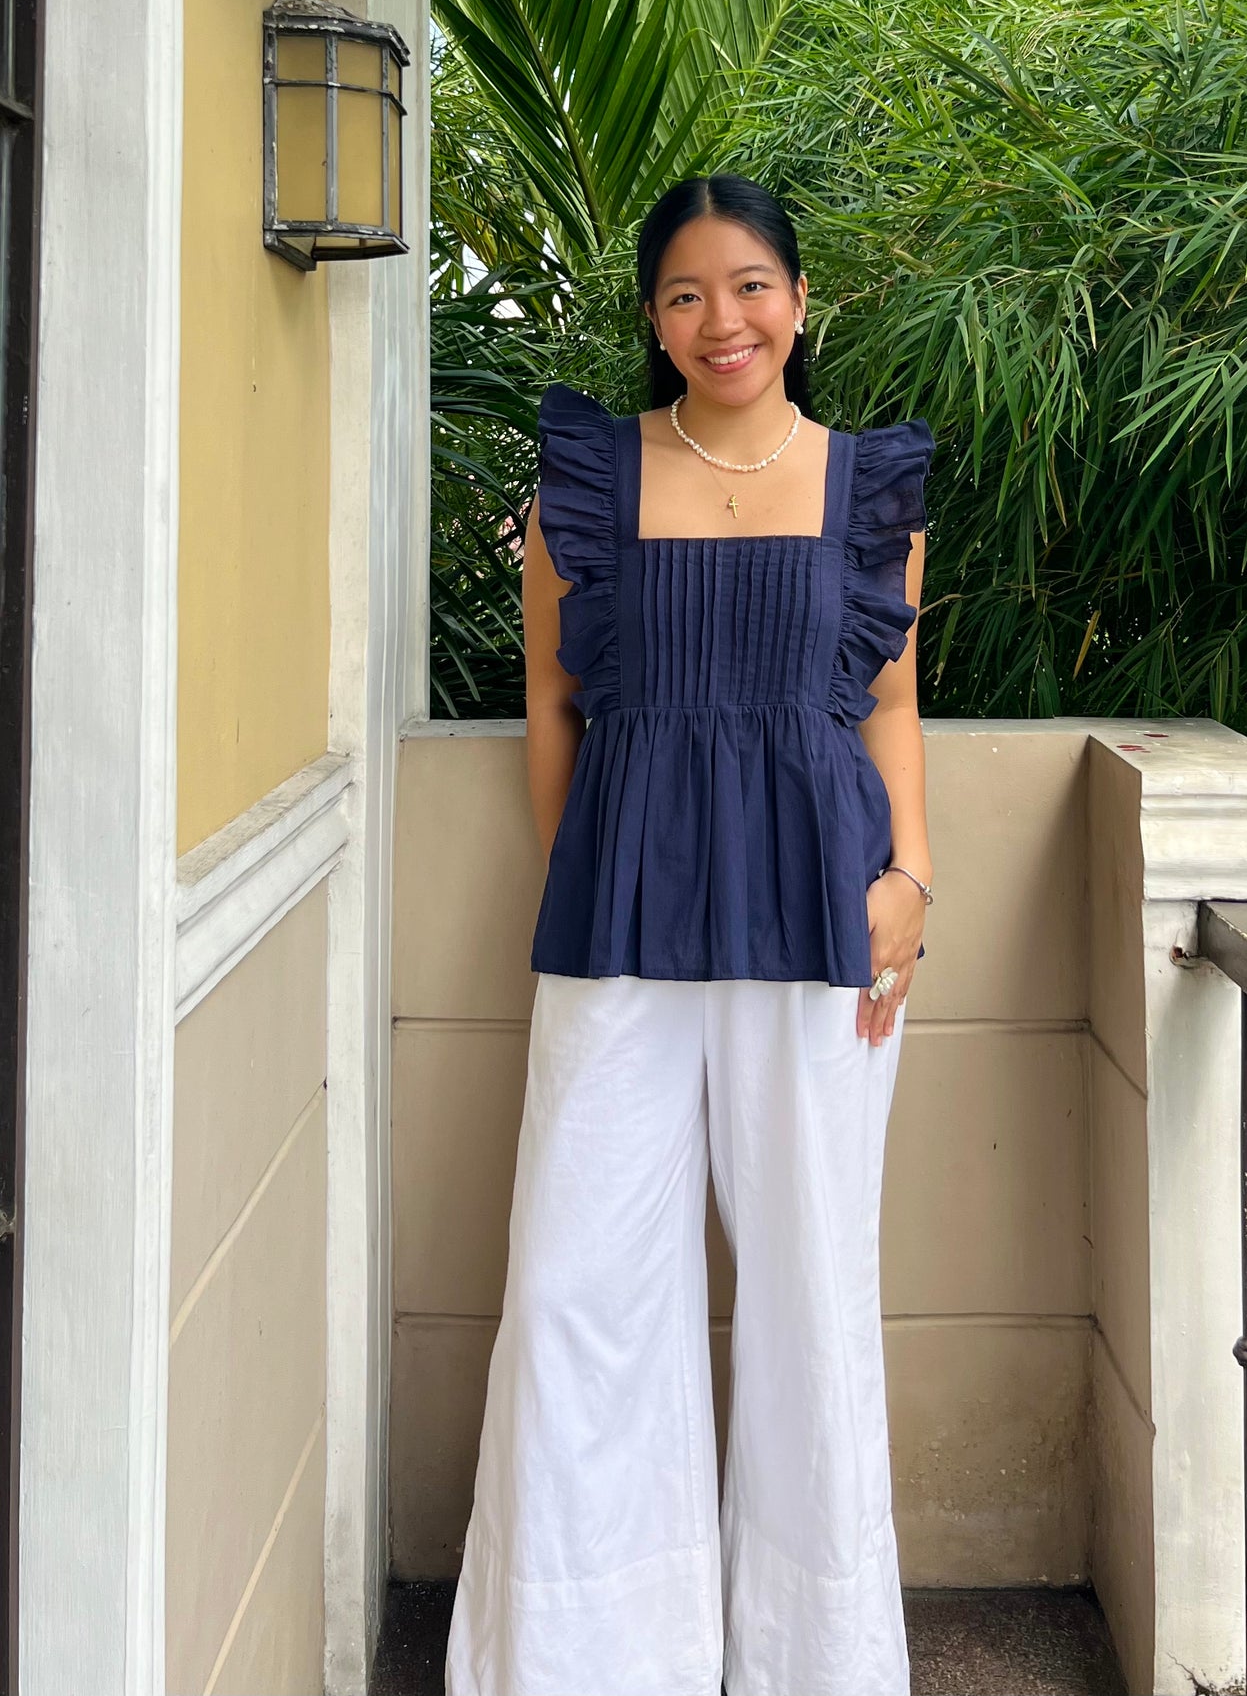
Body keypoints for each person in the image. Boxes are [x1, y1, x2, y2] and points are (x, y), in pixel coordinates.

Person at [445, 172, 937, 1696]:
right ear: (652, 321)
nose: (717, 319)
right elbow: (549, 695)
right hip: (619, 923)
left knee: (809, 1288)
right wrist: (581, 859)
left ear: (800, 304)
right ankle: (585, 1653)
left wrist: (909, 874)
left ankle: (818, 1664)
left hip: (822, 913)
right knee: (578, 1279)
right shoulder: (587, 481)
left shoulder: (868, 489)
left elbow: (893, 700)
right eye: (681, 294)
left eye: (746, 287)